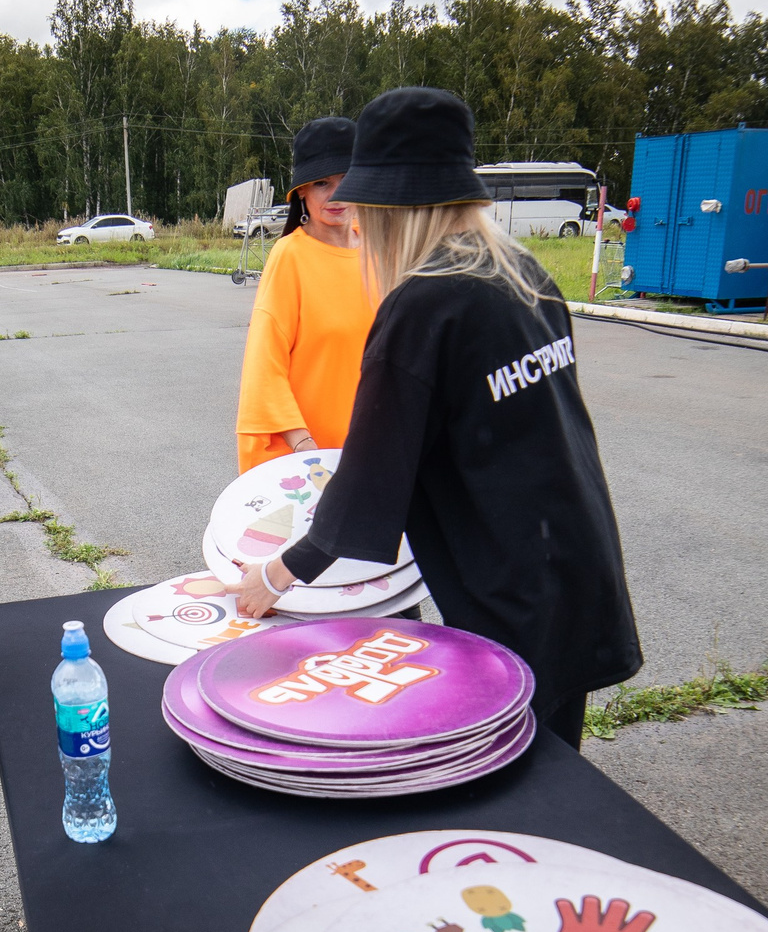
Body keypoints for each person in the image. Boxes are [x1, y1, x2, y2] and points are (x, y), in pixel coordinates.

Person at [233, 87, 640, 745]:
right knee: (557, 762)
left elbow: (371, 477)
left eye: (364, 205)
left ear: (392, 206)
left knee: (511, 767)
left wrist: (276, 575)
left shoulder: (425, 304)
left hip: (509, 587)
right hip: (577, 559)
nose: (357, 223)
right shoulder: (522, 273)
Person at [234, 117, 373, 474]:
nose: (336, 194)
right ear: (301, 192)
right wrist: (306, 450)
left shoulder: (378, 252)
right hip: (308, 458)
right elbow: (265, 365)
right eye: (322, 183)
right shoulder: (290, 257)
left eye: (346, 179)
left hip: (371, 450)